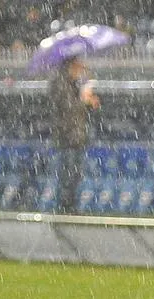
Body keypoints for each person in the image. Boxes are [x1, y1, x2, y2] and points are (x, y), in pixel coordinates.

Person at [48, 56, 98, 214]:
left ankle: (69, 205)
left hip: (75, 136)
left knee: (74, 173)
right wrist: (84, 100)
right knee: (67, 173)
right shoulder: (61, 83)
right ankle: (64, 206)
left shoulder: (71, 83)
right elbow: (67, 108)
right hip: (67, 136)